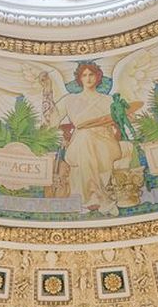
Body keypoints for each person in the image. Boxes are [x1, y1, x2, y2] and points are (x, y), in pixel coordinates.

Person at [49, 63, 140, 216]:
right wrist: (47, 93)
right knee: (85, 138)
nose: (88, 78)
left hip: (106, 143)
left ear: (97, 77)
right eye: (84, 75)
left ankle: (91, 199)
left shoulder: (109, 100)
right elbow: (51, 120)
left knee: (87, 140)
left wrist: (126, 115)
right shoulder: (70, 100)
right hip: (78, 144)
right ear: (79, 78)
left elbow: (128, 118)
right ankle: (98, 197)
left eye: (91, 74)